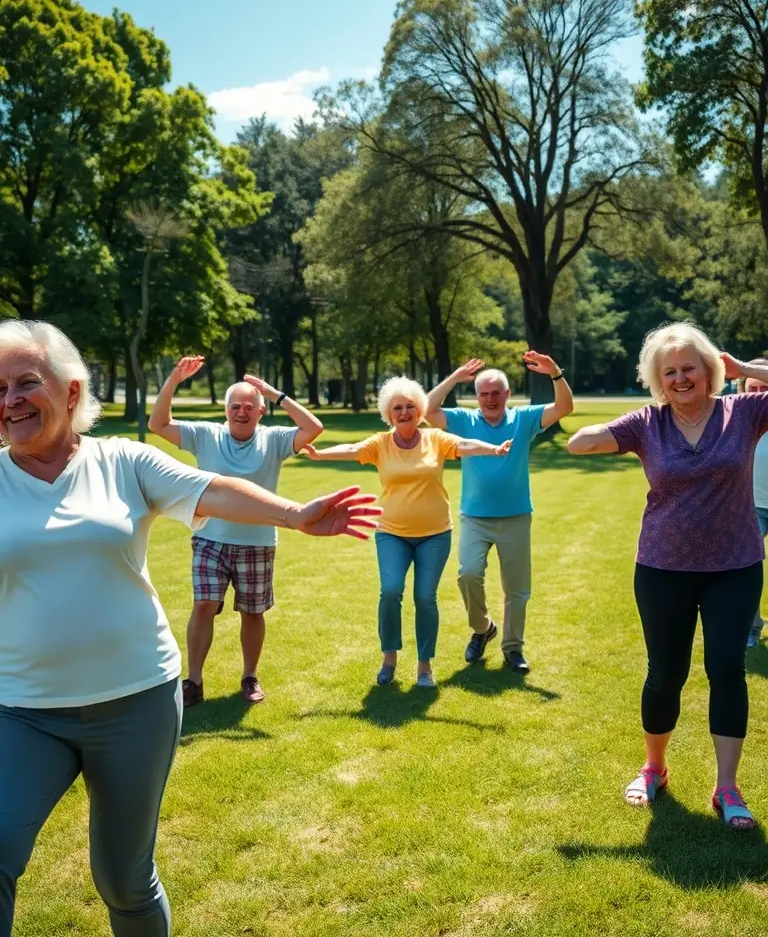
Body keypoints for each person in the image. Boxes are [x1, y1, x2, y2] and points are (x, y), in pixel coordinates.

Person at [0, 319, 380, 937]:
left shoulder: (121, 461)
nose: (10, 400)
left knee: (123, 877)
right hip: (21, 709)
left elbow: (212, 489)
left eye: (25, 382)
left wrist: (295, 515)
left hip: (135, 702)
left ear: (70, 392)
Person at [567, 321, 768, 830]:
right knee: (665, 674)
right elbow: (578, 442)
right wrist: (597, 434)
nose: (680, 379)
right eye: (669, 372)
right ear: (658, 380)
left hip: (734, 566)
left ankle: (727, 787)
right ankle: (654, 768)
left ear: (709, 370)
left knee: (726, 667)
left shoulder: (744, 411)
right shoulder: (647, 424)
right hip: (662, 568)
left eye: (689, 368)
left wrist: (746, 370)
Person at [302, 376, 512, 687]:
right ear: (389, 414)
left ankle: (424, 666)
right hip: (391, 532)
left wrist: (493, 449)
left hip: (435, 534)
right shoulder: (380, 444)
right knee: (390, 591)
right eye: (397, 408)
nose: (404, 412)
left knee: (425, 597)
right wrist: (321, 454)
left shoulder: (435, 439)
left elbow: (464, 444)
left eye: (410, 406)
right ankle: (389, 658)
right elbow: (353, 448)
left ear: (420, 410)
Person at [149, 358, 323, 707]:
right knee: (203, 605)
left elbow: (313, 428)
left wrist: (274, 394)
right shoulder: (205, 435)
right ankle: (194, 680)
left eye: (249, 407)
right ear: (225, 411)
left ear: (260, 412)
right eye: (234, 406)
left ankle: (249, 676)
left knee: (252, 612)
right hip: (210, 539)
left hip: (257, 543)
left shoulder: (274, 440)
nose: (241, 412)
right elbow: (158, 424)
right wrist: (174, 378)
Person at [426, 353, 573, 672]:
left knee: (517, 589)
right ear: (475, 396)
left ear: (508, 394)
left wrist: (556, 374)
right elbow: (427, 411)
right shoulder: (464, 420)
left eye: (496, 393)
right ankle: (482, 629)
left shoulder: (524, 418)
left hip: (516, 516)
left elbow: (563, 408)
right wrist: (454, 377)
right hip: (474, 518)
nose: (490, 399)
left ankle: (513, 648)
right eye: (483, 393)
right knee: (468, 575)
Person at [740, 359, 768, 648]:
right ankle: (751, 628)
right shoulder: (733, 418)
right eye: (753, 388)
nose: (759, 394)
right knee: (745, 569)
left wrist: (746, 369)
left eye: (764, 388)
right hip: (749, 507)